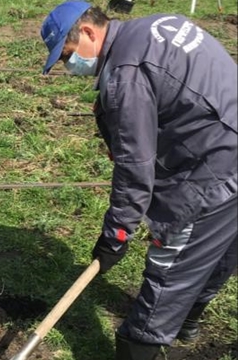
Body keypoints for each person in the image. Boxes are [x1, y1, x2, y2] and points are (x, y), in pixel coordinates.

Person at [40, 2, 237, 360]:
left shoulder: (126, 75)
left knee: (171, 263)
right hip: (226, 132)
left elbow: (135, 168)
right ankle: (189, 323)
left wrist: (116, 235)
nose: (70, 69)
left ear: (87, 32)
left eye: (68, 57)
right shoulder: (155, 25)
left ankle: (141, 345)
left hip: (217, 164)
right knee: (219, 248)